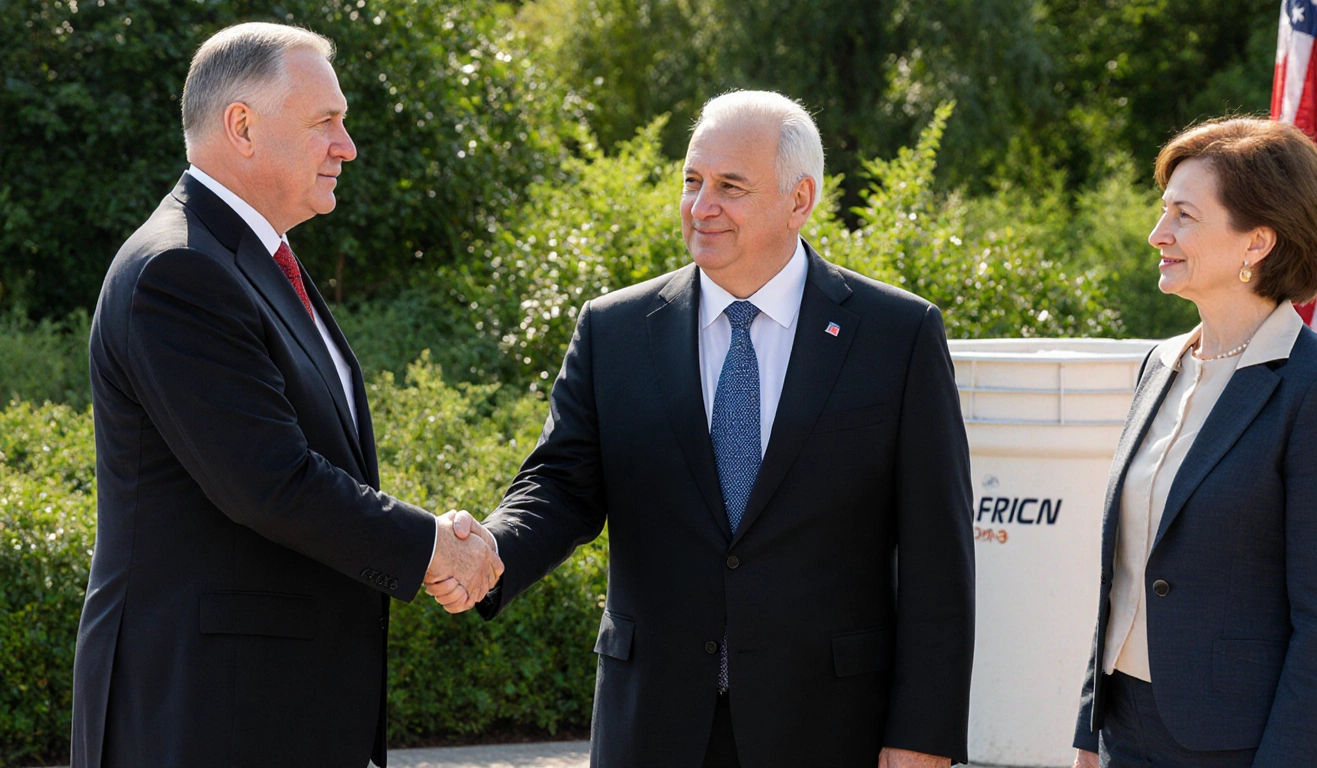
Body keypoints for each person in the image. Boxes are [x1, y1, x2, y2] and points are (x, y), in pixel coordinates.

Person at [431, 91, 975, 767]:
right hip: (654, 724)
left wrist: (923, 736)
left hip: (830, 728)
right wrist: (490, 551)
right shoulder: (615, 330)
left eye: (730, 187)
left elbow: (938, 557)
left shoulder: (896, 334)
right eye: (691, 181)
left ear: (799, 199)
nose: (701, 205)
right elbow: (562, 485)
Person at [70, 23, 502, 768]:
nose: (348, 145)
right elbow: (269, 482)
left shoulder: (251, 259)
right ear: (242, 125)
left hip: (268, 711)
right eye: (326, 122)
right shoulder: (178, 271)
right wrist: (433, 546)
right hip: (203, 717)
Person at [1071, 117, 1317, 768]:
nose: (1157, 235)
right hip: (1127, 732)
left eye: (1184, 216)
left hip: (1242, 747)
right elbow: (1124, 572)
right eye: (1164, 211)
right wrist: (1089, 734)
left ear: (1257, 242)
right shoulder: (1159, 365)